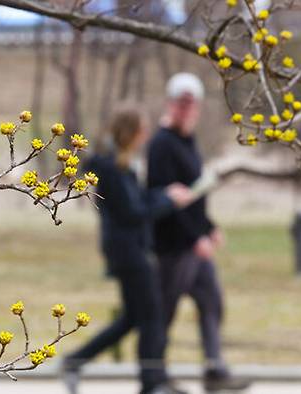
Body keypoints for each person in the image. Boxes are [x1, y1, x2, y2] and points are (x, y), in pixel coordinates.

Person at [62, 104, 191, 394]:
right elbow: (132, 212)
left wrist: (165, 194)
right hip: (128, 252)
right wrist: (169, 203)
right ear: (130, 132)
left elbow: (140, 199)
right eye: (142, 131)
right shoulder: (110, 167)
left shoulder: (122, 165)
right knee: (152, 317)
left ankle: (75, 361)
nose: (145, 137)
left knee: (133, 317)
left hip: (130, 249)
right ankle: (151, 383)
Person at [147, 73, 252, 393]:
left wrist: (209, 227)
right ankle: (155, 377)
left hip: (195, 243)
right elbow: (168, 200)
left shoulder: (188, 140)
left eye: (192, 104)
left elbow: (194, 194)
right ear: (171, 104)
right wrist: (196, 238)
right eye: (182, 103)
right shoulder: (162, 144)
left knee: (211, 301)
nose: (187, 109)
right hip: (173, 246)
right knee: (165, 310)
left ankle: (214, 369)